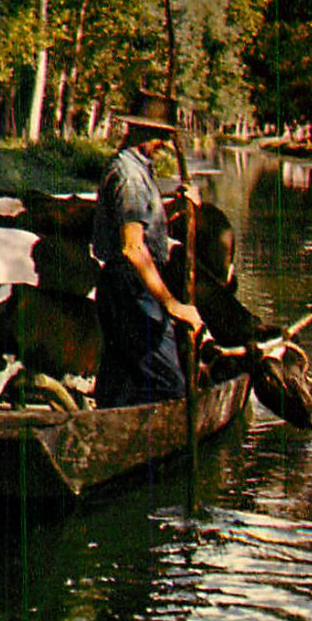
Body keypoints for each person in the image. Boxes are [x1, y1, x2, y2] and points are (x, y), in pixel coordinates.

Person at [90, 91, 204, 408]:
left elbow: (142, 220)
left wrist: (177, 207)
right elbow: (132, 247)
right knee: (170, 386)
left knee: (121, 384)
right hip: (131, 290)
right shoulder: (129, 175)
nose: (164, 144)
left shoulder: (137, 169)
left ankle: (106, 442)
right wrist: (172, 304)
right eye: (159, 136)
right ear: (141, 131)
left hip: (124, 287)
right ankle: (161, 451)